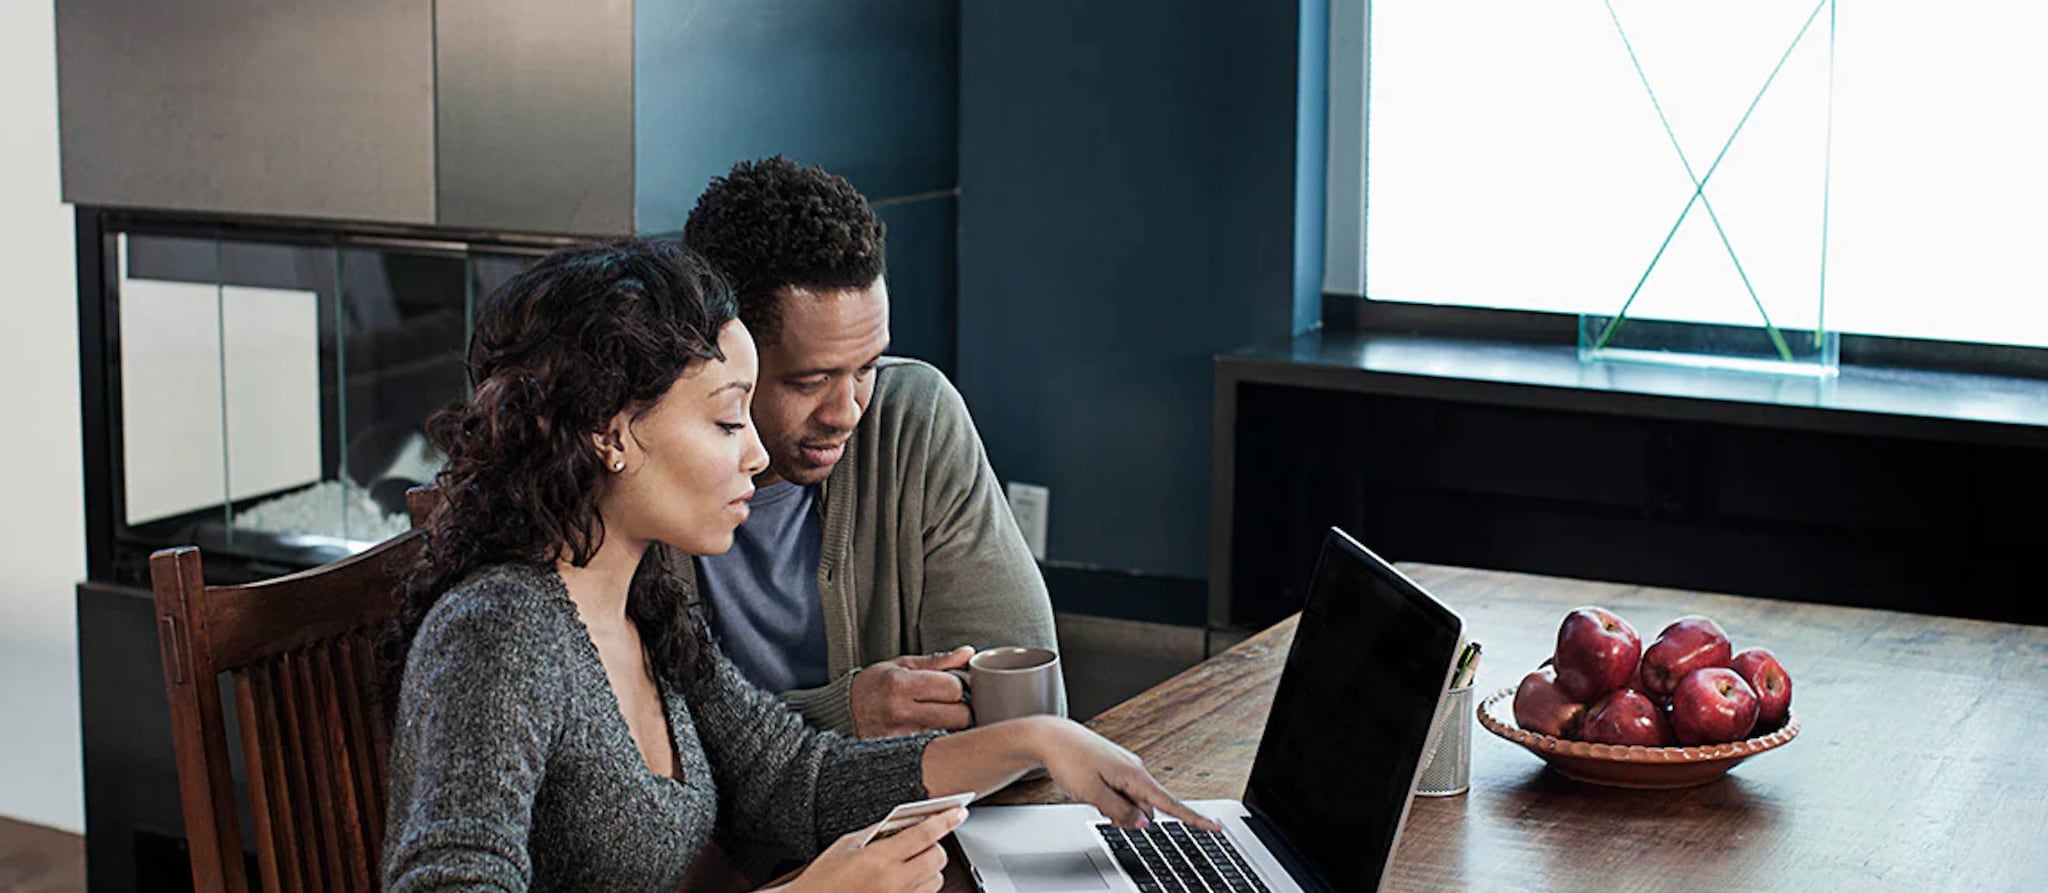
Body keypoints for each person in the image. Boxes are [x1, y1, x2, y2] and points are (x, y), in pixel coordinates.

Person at [380, 238, 1214, 892]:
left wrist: (1039, 738)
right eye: (725, 421)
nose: (754, 458)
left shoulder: (639, 607)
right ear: (611, 431)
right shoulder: (499, 635)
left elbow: (800, 779)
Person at [682, 157, 1056, 738]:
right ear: (723, 349)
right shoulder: (638, 465)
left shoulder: (913, 417)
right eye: (808, 382)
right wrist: (844, 713)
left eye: (867, 367)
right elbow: (635, 768)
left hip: (914, 818)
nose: (846, 412)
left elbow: (1021, 702)